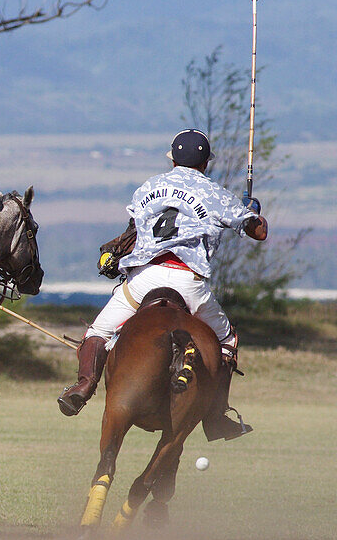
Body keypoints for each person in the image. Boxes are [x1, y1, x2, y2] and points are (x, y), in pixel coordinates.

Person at [57, 129, 268, 441]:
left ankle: (84, 385)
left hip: (145, 279)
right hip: (188, 282)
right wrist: (249, 210)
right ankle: (217, 415)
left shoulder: (148, 187)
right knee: (226, 339)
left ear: (172, 158)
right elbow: (259, 232)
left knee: (99, 332)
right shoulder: (215, 193)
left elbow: (133, 230)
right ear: (206, 163)